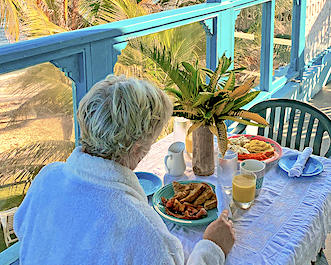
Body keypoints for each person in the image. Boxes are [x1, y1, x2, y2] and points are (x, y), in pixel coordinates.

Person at [13, 75, 237, 264]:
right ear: (138, 148)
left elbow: (21, 227)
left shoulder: (47, 177)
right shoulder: (145, 232)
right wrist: (212, 247)